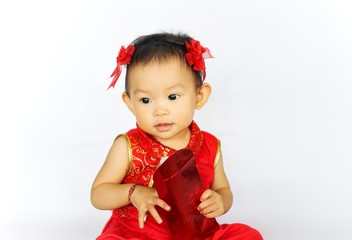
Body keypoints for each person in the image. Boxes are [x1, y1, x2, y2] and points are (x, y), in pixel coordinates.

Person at [91, 32, 263, 240]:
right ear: (130, 103)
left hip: (195, 233)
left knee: (247, 235)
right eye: (146, 100)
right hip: (138, 233)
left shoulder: (209, 145)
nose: (160, 110)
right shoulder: (128, 146)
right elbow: (98, 194)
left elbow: (223, 189)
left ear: (199, 96)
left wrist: (220, 201)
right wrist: (133, 192)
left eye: (173, 97)